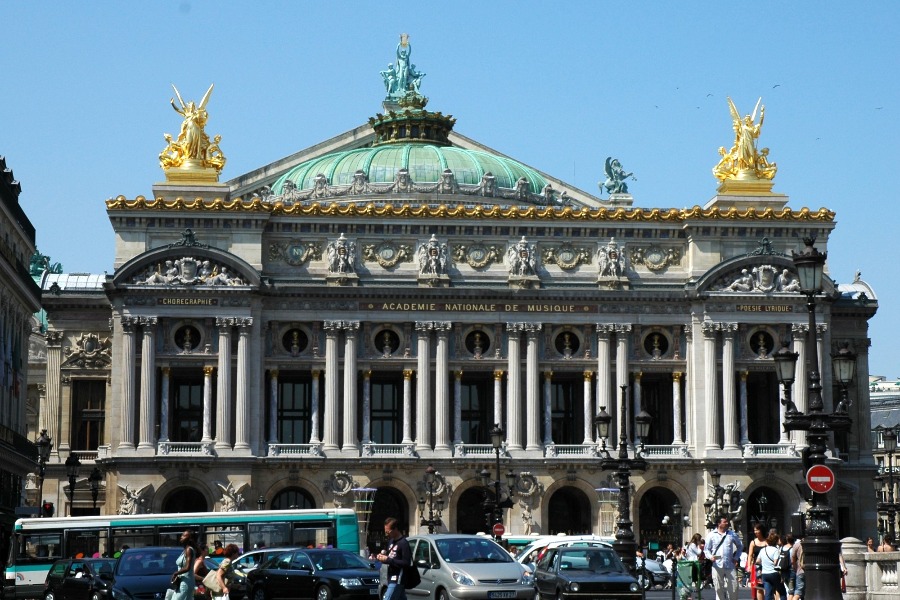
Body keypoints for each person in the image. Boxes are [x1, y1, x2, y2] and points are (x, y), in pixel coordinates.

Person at [705, 516, 743, 600]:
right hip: (716, 565)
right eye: (725, 522)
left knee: (734, 588)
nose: (727, 523)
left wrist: (736, 557)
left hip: (729, 564)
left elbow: (740, 546)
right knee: (718, 588)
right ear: (719, 524)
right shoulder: (711, 535)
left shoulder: (731, 534)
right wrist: (710, 557)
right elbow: (706, 549)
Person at [376, 517, 412, 600]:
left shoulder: (403, 543)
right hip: (390, 576)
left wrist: (388, 560)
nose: (387, 534)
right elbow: (390, 557)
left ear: (395, 529)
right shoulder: (391, 542)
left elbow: (406, 563)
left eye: (388, 532)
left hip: (398, 578)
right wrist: (382, 557)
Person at [755, 531, 787, 600]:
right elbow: (775, 563)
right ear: (775, 541)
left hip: (765, 574)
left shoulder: (763, 550)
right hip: (774, 573)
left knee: (768, 593)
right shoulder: (776, 550)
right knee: (782, 591)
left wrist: (764, 563)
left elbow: (757, 561)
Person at [170, 530, 197, 600]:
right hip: (182, 581)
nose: (181, 537)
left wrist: (176, 573)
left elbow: (188, 567)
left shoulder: (189, 550)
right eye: (182, 535)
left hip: (186, 582)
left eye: (184, 536)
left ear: (190, 538)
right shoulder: (185, 550)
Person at [744, 523, 768, 600]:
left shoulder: (767, 541)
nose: (756, 532)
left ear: (761, 530)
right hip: (757, 568)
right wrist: (749, 567)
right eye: (754, 530)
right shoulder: (753, 542)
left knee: (767, 586)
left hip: (766, 566)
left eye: (757, 530)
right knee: (758, 587)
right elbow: (750, 555)